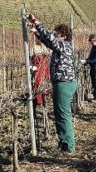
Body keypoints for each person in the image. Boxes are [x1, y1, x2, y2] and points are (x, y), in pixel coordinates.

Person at [28, 14, 77, 153]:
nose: (54, 35)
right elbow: (48, 41)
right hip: (63, 83)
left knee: (63, 114)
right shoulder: (61, 45)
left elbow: (50, 38)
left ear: (62, 35)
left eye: (56, 33)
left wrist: (36, 22)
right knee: (60, 114)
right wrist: (37, 33)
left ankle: (68, 146)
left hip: (64, 83)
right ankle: (64, 143)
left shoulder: (63, 45)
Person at [30, 38, 51, 106]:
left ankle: (45, 97)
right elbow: (31, 57)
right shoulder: (33, 47)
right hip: (37, 67)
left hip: (43, 67)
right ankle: (38, 100)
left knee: (44, 81)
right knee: (37, 83)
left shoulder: (43, 46)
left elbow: (47, 55)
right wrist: (32, 65)